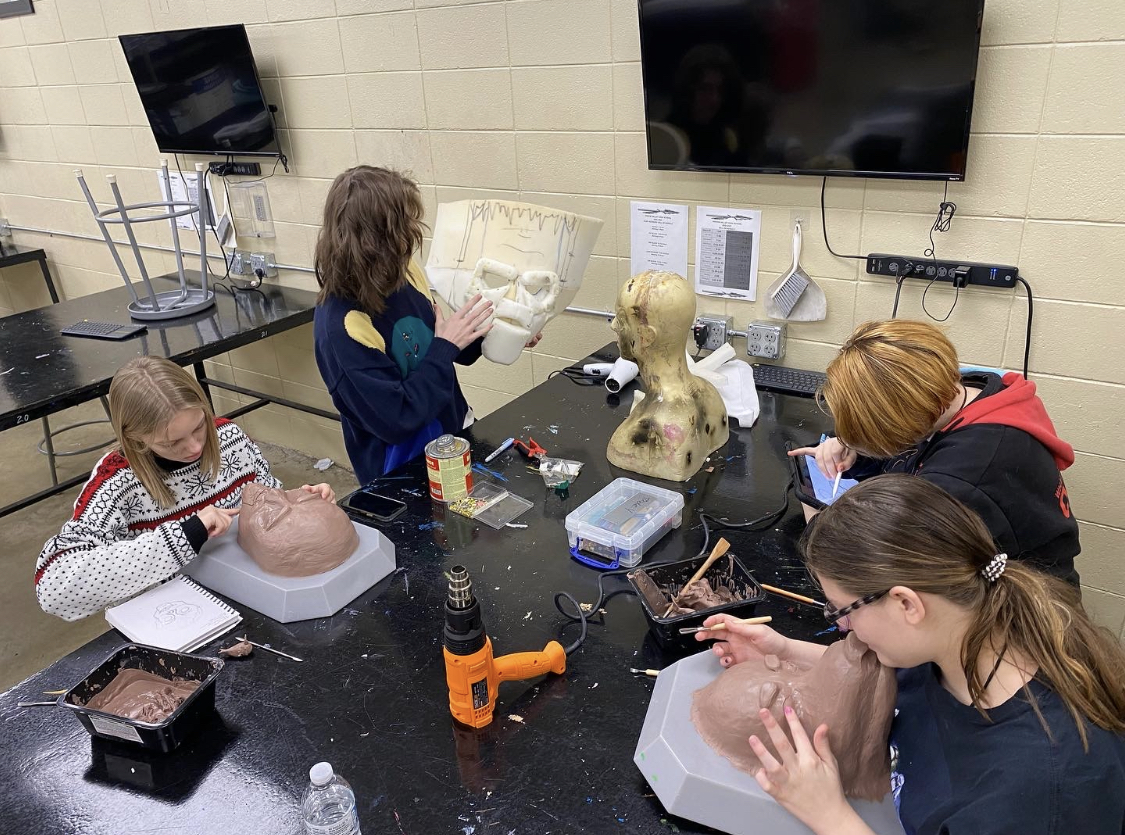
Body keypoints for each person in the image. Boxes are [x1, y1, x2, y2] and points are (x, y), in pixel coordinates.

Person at [701, 475, 1125, 835]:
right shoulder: (955, 638)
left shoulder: (1034, 786)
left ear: (906, 604)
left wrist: (830, 816)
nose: (842, 627)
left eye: (842, 610)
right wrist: (785, 648)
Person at [35, 357, 334, 622]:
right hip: (176, 616)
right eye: (171, 442)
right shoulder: (117, 484)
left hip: (250, 594)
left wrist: (299, 502)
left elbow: (268, 496)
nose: (194, 447)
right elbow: (54, 587)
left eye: (198, 427)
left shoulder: (230, 439)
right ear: (134, 437)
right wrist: (186, 534)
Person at [789, 319, 1080, 585]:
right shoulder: (969, 390)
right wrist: (857, 449)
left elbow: (871, 560)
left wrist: (816, 523)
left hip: (1018, 615)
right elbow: (910, 454)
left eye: (879, 431)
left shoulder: (962, 477)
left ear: (904, 418)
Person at [312, 166, 496, 484]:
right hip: (402, 472)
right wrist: (445, 347)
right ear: (376, 243)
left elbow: (441, 347)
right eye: (402, 228)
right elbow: (398, 417)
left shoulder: (403, 271)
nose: (412, 235)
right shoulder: (343, 329)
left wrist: (497, 331)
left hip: (452, 438)